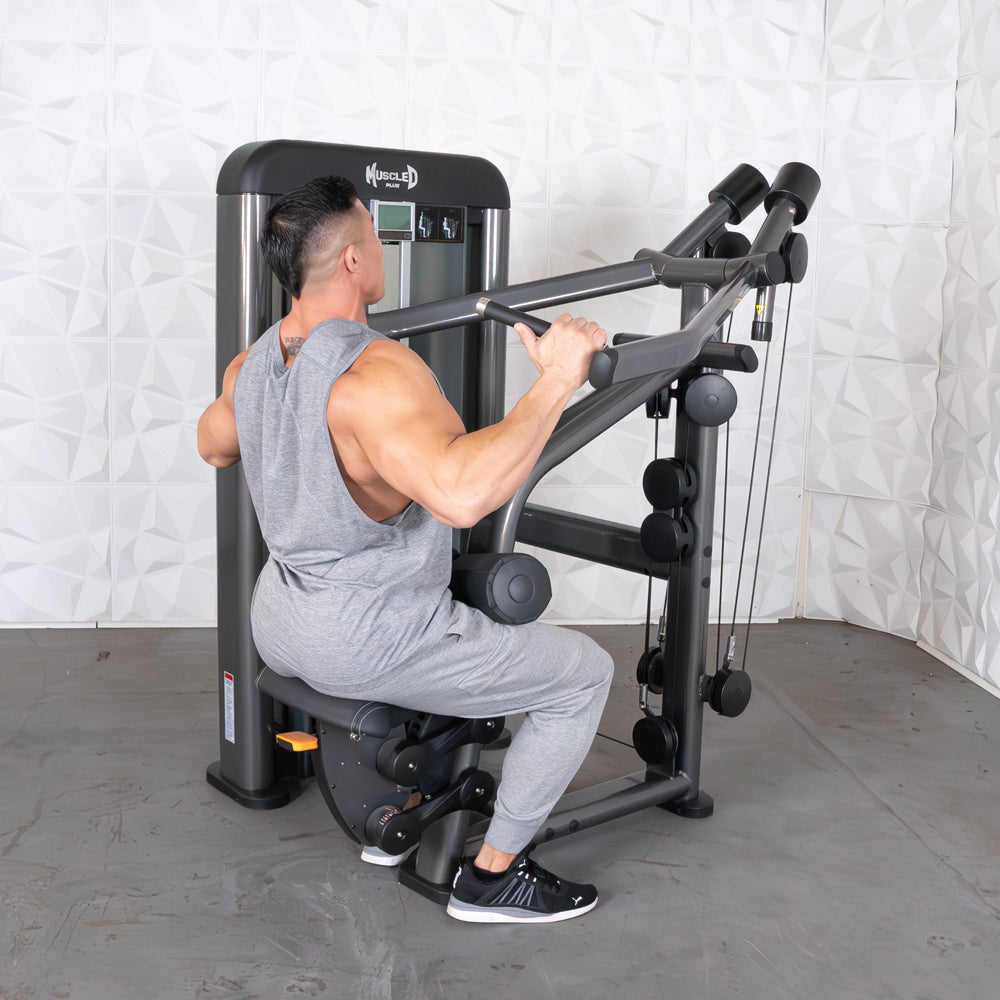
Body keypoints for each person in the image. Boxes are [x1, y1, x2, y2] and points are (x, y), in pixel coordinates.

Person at [197, 175, 615, 924]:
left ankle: (406, 826)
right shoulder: (377, 374)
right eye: (377, 235)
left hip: (282, 621)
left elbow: (213, 442)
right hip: (367, 638)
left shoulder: (252, 364)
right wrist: (556, 380)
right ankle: (494, 877)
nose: (385, 249)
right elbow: (459, 494)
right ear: (354, 260)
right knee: (583, 676)